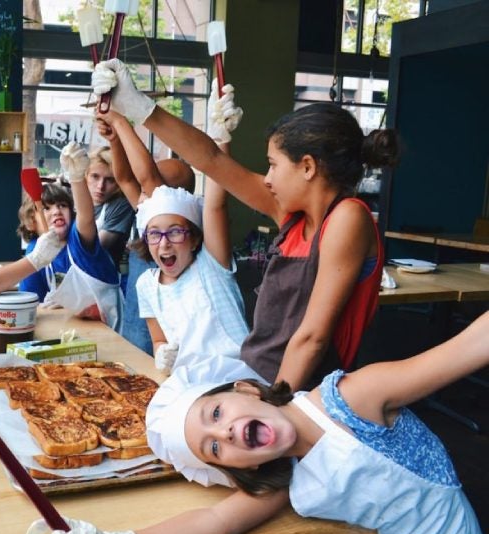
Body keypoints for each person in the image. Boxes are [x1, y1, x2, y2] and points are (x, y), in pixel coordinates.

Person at [30, 312, 489, 534]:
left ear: (247, 388)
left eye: (215, 412)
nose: (224, 433)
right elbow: (215, 524)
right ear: (237, 470)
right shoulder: (283, 472)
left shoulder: (356, 399)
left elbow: (469, 347)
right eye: (214, 449)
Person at [91, 60, 398, 390]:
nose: (266, 179)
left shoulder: (348, 217)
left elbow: (312, 338)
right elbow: (211, 160)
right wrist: (137, 106)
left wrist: (271, 403)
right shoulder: (292, 217)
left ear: (307, 167)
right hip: (256, 378)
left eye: (273, 165)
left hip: (302, 393)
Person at [96, 95, 248, 371]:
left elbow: (215, 201)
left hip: (235, 375)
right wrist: (115, 137)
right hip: (185, 379)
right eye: (155, 235)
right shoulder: (148, 272)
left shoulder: (209, 263)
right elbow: (126, 178)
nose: (163, 242)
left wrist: (220, 138)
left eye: (175, 233)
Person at [97, 118, 195, 356]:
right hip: (134, 331)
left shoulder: (182, 231)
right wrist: (114, 140)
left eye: (153, 186)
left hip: (164, 345)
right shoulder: (148, 213)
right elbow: (125, 179)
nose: (142, 192)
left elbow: (142, 179)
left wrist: (120, 122)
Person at [19, 143, 123, 331]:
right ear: (31, 222)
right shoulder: (34, 250)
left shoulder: (79, 242)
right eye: (47, 208)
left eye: (62, 205)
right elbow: (29, 302)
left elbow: (86, 215)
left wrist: (76, 177)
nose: (56, 212)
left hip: (105, 329)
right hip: (59, 330)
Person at [87, 146, 134, 266]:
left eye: (110, 180)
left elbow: (94, 249)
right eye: (95, 176)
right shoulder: (72, 199)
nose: (100, 186)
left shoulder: (122, 205)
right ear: (85, 175)